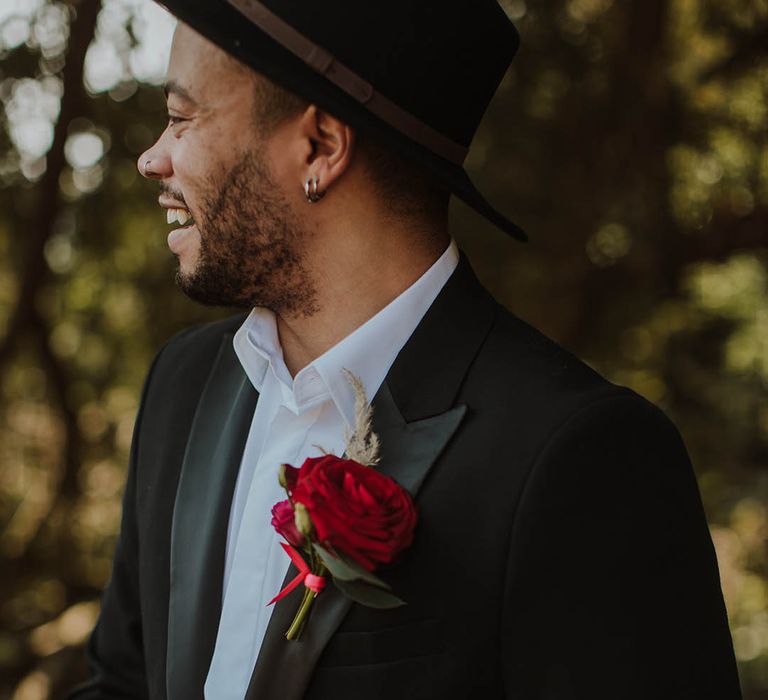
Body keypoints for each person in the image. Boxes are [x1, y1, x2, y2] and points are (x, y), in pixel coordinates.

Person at [67, 1, 742, 698]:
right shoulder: (185, 386)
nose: (154, 157)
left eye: (182, 118)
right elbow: (123, 681)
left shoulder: (583, 456)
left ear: (321, 146)